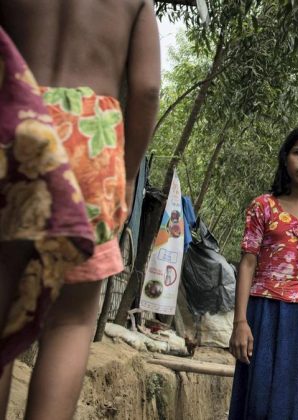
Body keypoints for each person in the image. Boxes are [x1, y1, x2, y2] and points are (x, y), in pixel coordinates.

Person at [0, 1, 161, 419]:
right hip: (90, 139)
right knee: (70, 321)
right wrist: (128, 175)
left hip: (15, 120)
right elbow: (147, 90)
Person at [228, 125, 298, 420]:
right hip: (263, 310)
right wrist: (240, 321)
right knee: (258, 396)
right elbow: (247, 263)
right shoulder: (262, 206)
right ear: (285, 157)